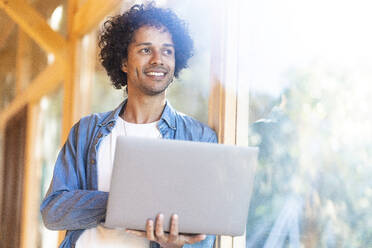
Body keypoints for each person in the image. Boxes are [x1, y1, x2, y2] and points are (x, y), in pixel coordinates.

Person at [40, 3, 217, 248]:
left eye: (167, 51)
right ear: (123, 61)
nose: (158, 60)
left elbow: (204, 238)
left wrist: (175, 244)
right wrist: (124, 204)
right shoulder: (87, 131)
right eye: (146, 50)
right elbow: (53, 211)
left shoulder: (199, 138)